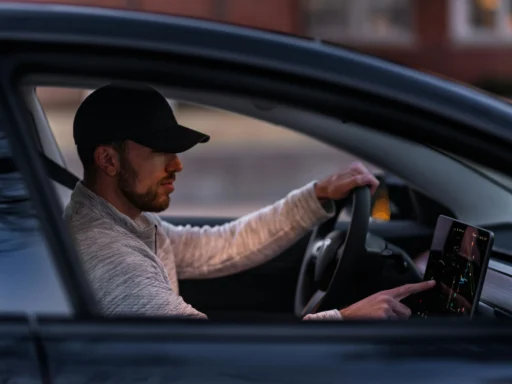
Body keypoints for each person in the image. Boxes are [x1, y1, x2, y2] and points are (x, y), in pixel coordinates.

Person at [64, 83, 435, 321]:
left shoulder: (131, 223)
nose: (177, 165)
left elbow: (222, 245)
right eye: (163, 151)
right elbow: (208, 356)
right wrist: (344, 320)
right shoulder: (109, 254)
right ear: (108, 160)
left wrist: (317, 195)